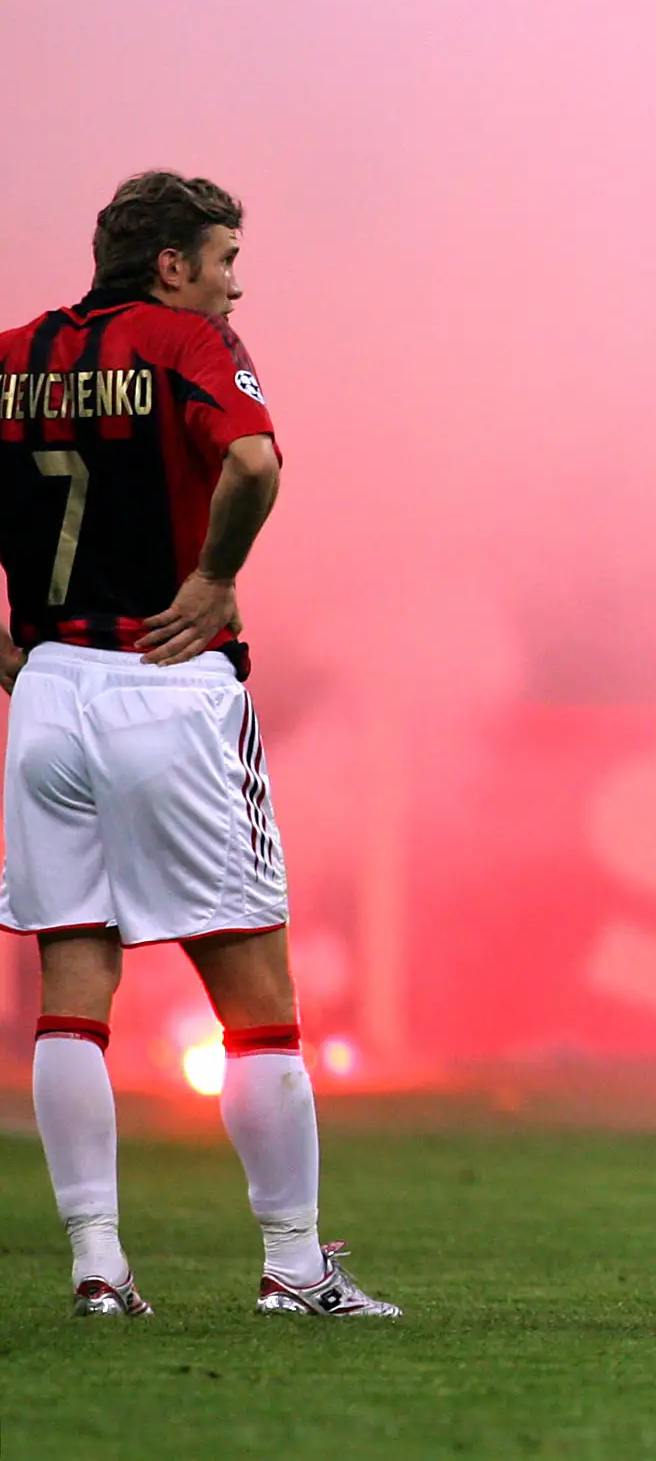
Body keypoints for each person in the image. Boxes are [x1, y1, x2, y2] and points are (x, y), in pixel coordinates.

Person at [1, 171, 400, 1320]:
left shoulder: (12, 352)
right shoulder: (188, 341)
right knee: (254, 992)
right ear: (170, 262)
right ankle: (292, 1263)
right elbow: (256, 460)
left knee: (72, 985)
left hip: (49, 688)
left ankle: (96, 1265)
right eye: (225, 256)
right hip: (166, 678)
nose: (236, 281)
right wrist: (217, 576)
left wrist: (7, 650)